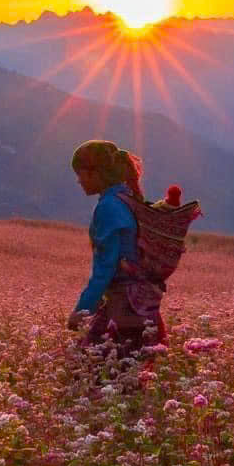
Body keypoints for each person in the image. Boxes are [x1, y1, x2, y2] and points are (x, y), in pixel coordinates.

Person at [66, 139, 166, 353]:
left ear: (95, 174)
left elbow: (105, 267)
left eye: (80, 174)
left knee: (91, 375)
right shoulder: (128, 198)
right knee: (130, 380)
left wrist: (82, 309)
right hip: (145, 308)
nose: (78, 181)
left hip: (123, 310)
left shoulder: (108, 207)